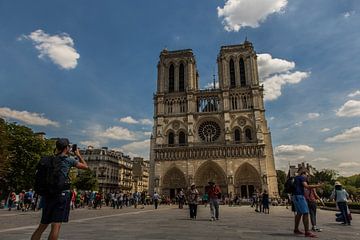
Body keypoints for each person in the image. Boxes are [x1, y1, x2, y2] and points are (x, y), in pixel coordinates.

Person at [31, 138, 88, 240]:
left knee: (42, 225)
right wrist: (78, 155)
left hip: (48, 194)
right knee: (56, 226)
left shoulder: (49, 159)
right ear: (66, 148)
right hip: (61, 194)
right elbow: (85, 166)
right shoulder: (68, 160)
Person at [292, 168, 322, 238]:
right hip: (299, 196)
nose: (308, 177)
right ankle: (307, 232)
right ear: (304, 174)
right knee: (305, 213)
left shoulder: (296, 178)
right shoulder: (302, 178)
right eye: (307, 175)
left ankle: (296, 229)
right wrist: (318, 186)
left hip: (295, 196)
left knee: (299, 213)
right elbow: (307, 186)